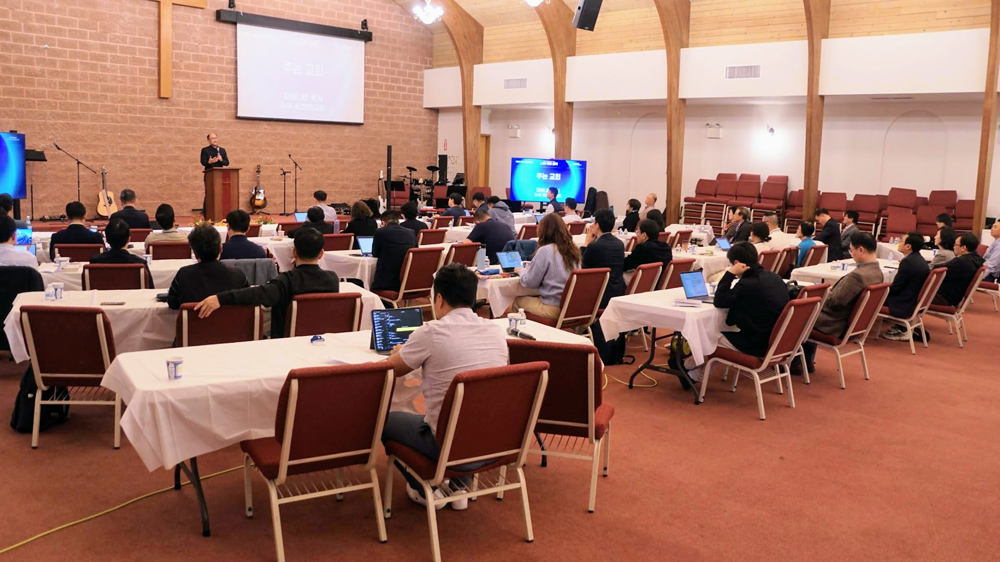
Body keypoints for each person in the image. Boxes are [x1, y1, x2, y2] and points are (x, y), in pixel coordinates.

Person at [381, 263, 509, 508]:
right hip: (492, 441)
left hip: (445, 444)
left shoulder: (431, 332)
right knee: (468, 411)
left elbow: (388, 370)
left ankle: (426, 489)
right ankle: (459, 488)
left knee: (382, 421)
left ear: (439, 299)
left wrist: (400, 353)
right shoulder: (495, 332)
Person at [193, 229, 339, 338]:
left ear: (294, 253)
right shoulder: (332, 279)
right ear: (321, 254)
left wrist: (220, 298)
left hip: (285, 345)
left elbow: (257, 294)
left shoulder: (287, 281)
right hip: (322, 341)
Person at [685, 242, 790, 382]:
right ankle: (689, 370)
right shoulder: (774, 277)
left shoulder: (747, 284)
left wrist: (729, 274)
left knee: (711, 336)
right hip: (777, 341)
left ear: (736, 263)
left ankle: (689, 371)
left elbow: (719, 301)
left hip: (757, 344)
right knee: (721, 330)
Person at [797, 232, 883, 374]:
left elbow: (835, 302)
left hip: (833, 323)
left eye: (851, 250)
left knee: (796, 313)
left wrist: (827, 292)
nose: (851, 254)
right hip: (851, 323)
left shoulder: (857, 276)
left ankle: (796, 362)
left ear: (861, 250)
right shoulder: (878, 272)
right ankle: (805, 361)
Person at [513, 214, 580, 319]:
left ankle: (517, 329)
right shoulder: (573, 250)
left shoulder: (545, 251)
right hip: (571, 307)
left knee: (518, 301)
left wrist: (521, 271)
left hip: (552, 308)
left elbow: (530, 282)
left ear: (543, 231)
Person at [167, 224, 248, 310]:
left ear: (195, 254)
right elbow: (247, 301)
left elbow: (173, 303)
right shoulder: (237, 274)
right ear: (221, 249)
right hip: (231, 319)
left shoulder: (184, 274)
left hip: (195, 319)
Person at [881, 232, 931, 342]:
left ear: (908, 246)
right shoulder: (918, 259)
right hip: (912, 299)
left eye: (901, 241)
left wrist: (881, 291)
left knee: (868, 296)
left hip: (903, 303)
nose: (899, 243)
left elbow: (896, 288)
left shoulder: (908, 262)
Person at [581, 209, 626, 309]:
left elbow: (581, 266)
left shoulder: (594, 246)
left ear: (597, 225)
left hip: (599, 294)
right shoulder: (620, 244)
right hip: (618, 291)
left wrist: (586, 243)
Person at [89, 218, 154, 286]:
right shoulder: (140, 263)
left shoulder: (95, 261)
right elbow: (150, 288)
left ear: (107, 240)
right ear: (129, 239)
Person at [371, 210, 418, 293]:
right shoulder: (411, 232)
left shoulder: (380, 232)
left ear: (383, 222)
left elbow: (375, 253)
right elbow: (415, 251)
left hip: (387, 282)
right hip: (409, 280)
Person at [934, 232, 985, 307]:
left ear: (963, 248)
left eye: (955, 244)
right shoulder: (976, 259)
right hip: (954, 297)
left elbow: (936, 270)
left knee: (915, 291)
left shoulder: (961, 262)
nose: (953, 247)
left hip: (944, 297)